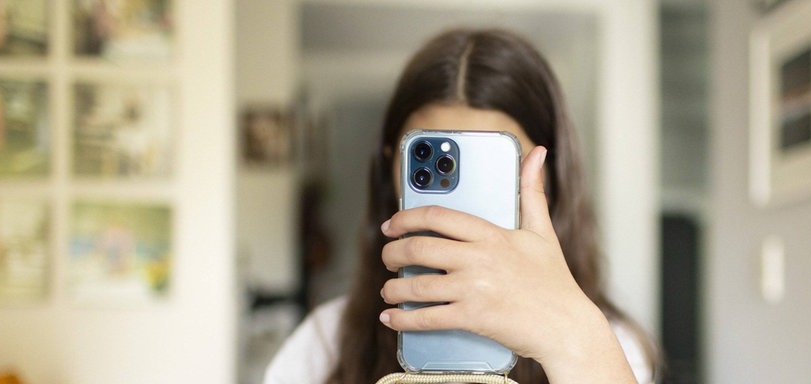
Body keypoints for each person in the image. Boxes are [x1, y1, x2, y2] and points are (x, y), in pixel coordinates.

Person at [265, 28, 657, 384]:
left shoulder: (608, 346)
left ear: (547, 180)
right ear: (393, 170)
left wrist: (573, 340)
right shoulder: (323, 343)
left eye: (494, 173)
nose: (462, 213)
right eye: (432, 167)